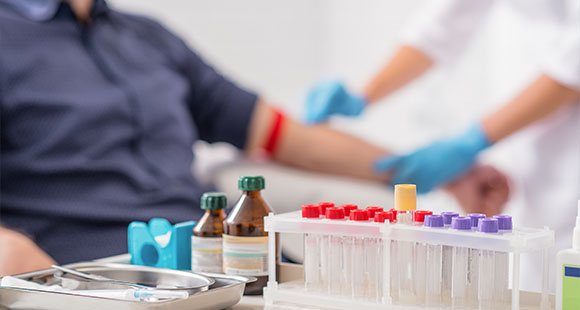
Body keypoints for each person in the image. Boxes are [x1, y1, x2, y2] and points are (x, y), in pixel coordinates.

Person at [0, 0, 509, 276]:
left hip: (216, 265)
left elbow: (283, 136)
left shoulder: (147, 37)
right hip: (89, 274)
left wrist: (438, 170)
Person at [305, 0, 579, 290]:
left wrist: (471, 141)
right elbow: (442, 23)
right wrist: (363, 96)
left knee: (565, 261)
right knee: (536, 268)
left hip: (564, 116)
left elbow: (573, 59)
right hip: (530, 111)